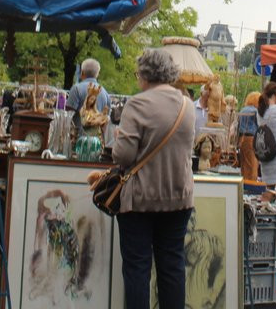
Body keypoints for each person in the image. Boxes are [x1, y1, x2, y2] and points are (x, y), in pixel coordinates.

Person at [111, 49, 194, 309]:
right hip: (179, 197)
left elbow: (123, 156)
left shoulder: (137, 104)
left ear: (144, 74)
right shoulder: (187, 105)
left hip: (140, 199)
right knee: (172, 267)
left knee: (137, 269)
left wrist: (117, 139)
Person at [66, 58, 110, 126]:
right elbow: (106, 119)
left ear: (82, 72)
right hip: (98, 135)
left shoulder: (76, 89)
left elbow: (68, 114)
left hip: (78, 135)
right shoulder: (105, 93)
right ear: (98, 74)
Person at [236, 91, 261, 181]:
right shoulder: (255, 111)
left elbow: (238, 127)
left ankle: (244, 182)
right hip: (252, 138)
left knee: (244, 164)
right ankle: (251, 184)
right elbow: (260, 125)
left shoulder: (243, 110)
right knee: (253, 164)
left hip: (242, 139)